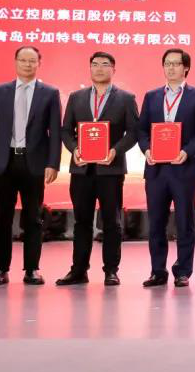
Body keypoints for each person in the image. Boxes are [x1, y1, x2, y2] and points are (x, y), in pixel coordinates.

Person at [0, 46, 62, 287]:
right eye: (23, 60)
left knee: (33, 218)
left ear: (39, 64)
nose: (27, 64)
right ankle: (0, 269)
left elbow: (55, 133)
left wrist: (53, 163)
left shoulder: (50, 93)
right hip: (4, 162)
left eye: (32, 61)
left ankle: (32, 269)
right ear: (15, 62)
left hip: (33, 163)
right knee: (3, 218)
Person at [57, 51, 139, 287]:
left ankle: (111, 270)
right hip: (81, 170)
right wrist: (74, 149)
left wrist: (115, 150)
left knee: (112, 222)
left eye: (105, 64)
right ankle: (78, 270)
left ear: (113, 69)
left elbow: (134, 132)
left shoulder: (126, 98)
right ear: (90, 68)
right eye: (95, 64)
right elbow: (66, 130)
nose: (99, 68)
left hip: (110, 170)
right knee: (81, 221)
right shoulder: (76, 97)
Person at [137, 48, 195, 288]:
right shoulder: (151, 96)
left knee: (184, 221)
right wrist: (147, 150)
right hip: (156, 169)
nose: (170, 68)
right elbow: (142, 130)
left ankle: (183, 271)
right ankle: (157, 271)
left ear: (186, 68)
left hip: (185, 168)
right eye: (167, 64)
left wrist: (187, 151)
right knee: (156, 222)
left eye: (175, 64)